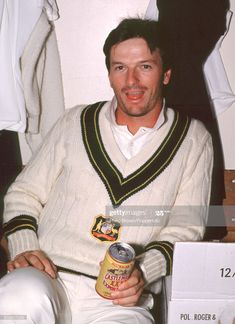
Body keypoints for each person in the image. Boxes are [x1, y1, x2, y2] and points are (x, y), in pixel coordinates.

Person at [0, 18, 213, 324]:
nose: (132, 81)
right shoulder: (75, 121)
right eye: (120, 67)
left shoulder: (194, 139)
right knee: (15, 299)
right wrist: (25, 248)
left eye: (145, 66)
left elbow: (187, 227)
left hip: (121, 300)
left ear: (166, 73)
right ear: (110, 75)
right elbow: (23, 194)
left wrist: (142, 271)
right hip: (49, 276)